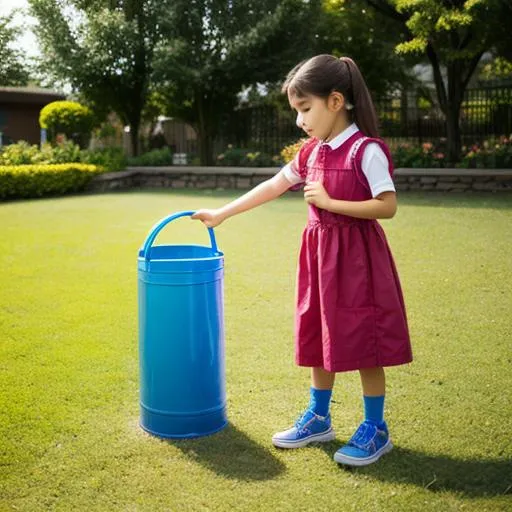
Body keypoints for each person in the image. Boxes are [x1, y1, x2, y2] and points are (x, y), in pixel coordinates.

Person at [192, 54, 412, 466]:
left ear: (335, 101)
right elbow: (274, 185)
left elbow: (387, 206)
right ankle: (319, 417)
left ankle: (376, 429)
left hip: (359, 262)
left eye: (304, 109)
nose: (300, 121)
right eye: (297, 111)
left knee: (365, 341)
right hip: (319, 260)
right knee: (317, 335)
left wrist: (331, 203)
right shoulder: (311, 153)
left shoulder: (367, 151)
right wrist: (222, 213)